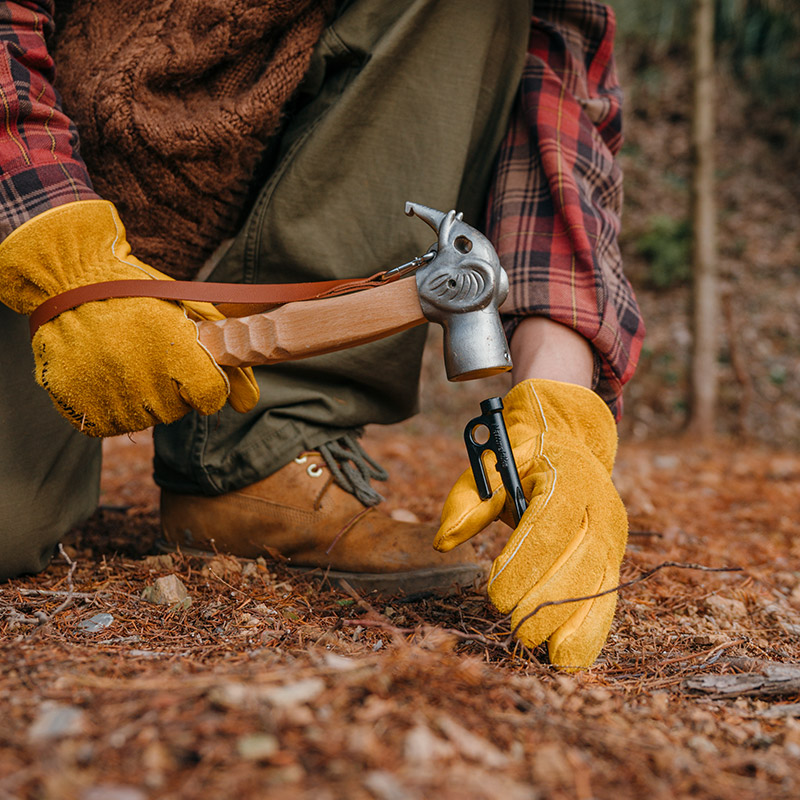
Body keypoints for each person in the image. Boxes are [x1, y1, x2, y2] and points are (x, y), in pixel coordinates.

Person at [0, 0, 643, 668]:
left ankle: (265, 447)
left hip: (238, 181)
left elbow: (558, 100)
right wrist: (63, 253)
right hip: (33, 191)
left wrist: (560, 401)